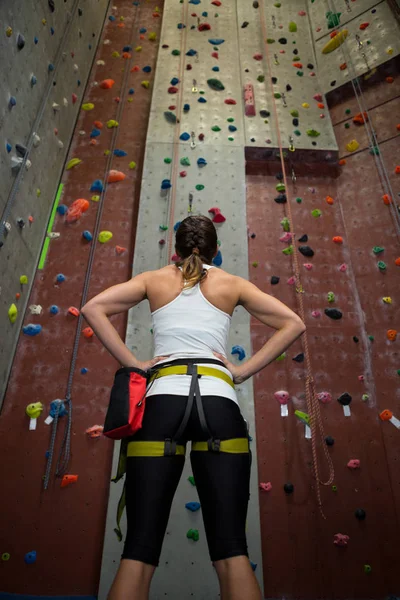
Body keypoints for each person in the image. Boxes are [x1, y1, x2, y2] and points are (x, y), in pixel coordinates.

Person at [81, 214, 306, 600]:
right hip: (219, 402)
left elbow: (92, 308)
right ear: (216, 251)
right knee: (232, 553)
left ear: (176, 251)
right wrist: (240, 371)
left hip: (162, 402)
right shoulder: (232, 284)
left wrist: (134, 363)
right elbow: (293, 323)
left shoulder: (153, 279)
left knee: (138, 555)